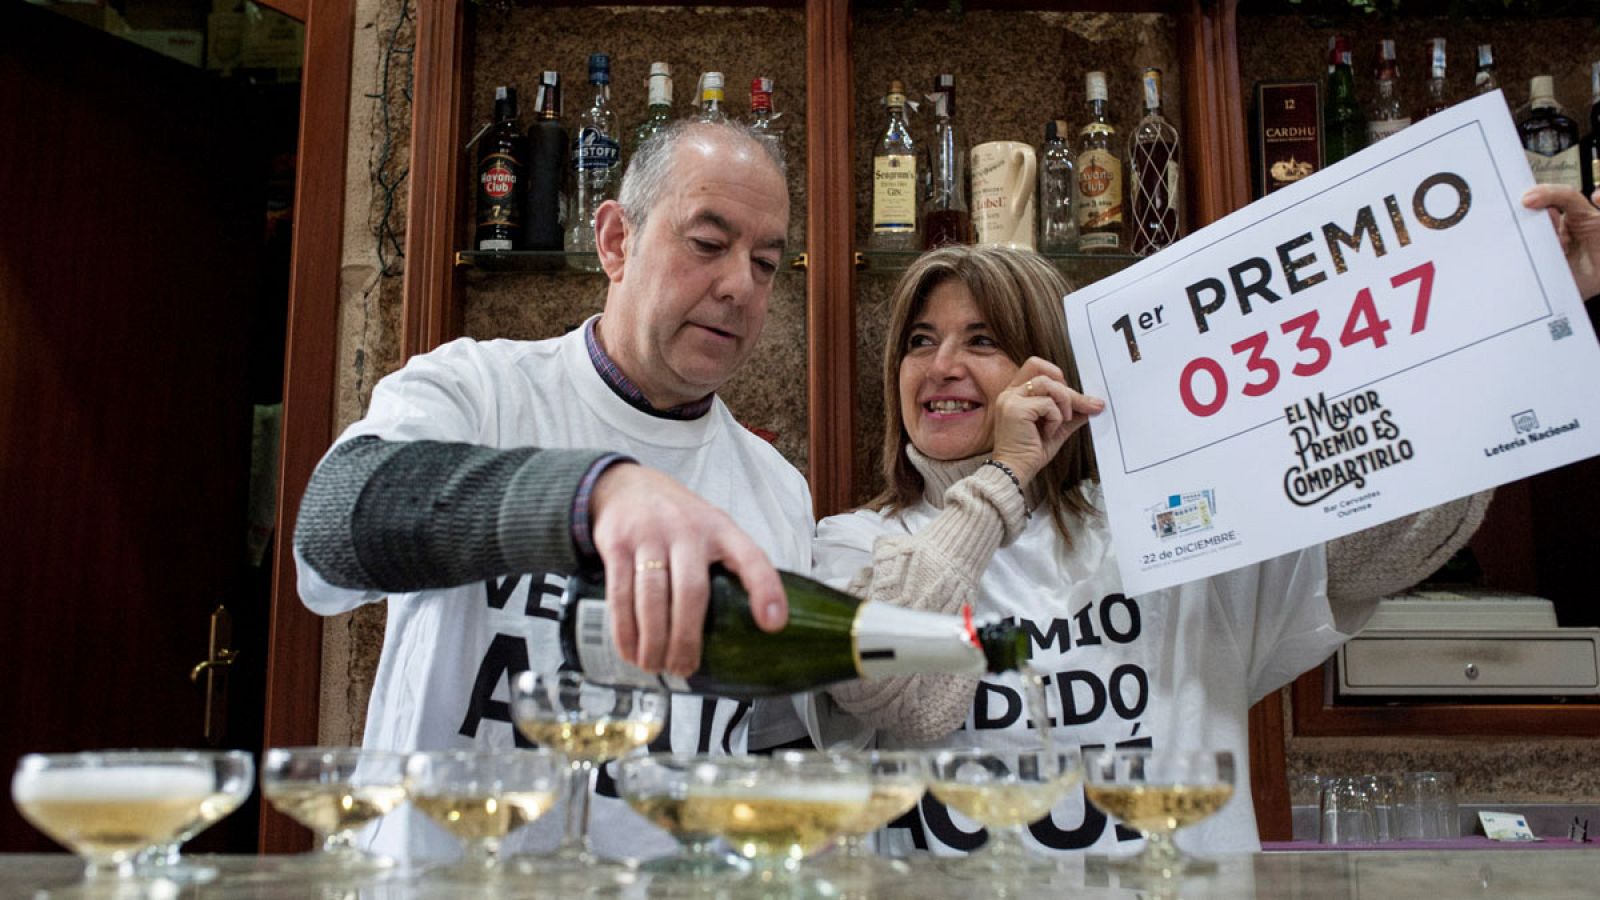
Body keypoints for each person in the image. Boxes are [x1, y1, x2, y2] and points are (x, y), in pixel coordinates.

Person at [809, 243, 1495, 858]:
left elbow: (1396, 542)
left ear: (1051, 370)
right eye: (920, 342)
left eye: (982, 340)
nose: (942, 367)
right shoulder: (856, 544)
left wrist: (1502, 324)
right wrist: (1006, 478)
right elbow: (887, 684)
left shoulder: (1170, 523)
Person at [293, 119, 811, 862]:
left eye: (765, 263)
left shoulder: (777, 490)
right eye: (706, 244)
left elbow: (762, 741)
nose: (739, 286)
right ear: (615, 241)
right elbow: (333, 524)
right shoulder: (478, 390)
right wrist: (591, 493)